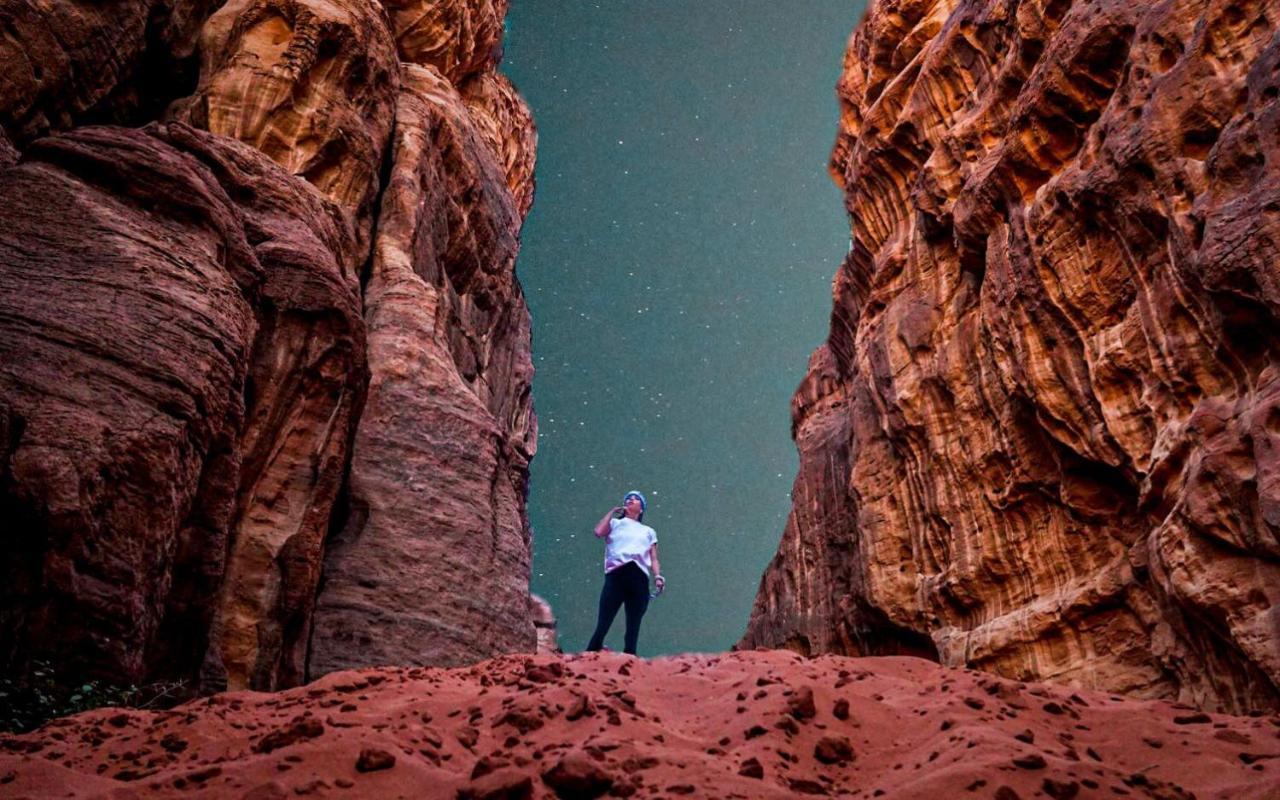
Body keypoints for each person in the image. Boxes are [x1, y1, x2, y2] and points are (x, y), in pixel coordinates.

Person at [585, 490, 664, 655]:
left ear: (641, 509)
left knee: (634, 624)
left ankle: (630, 657)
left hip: (639, 576)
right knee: (604, 621)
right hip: (617, 573)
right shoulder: (615, 523)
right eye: (628, 498)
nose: (631, 500)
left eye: (636, 499)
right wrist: (612, 512)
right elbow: (599, 532)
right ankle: (592, 652)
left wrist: (657, 576)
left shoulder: (649, 531)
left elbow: (653, 557)